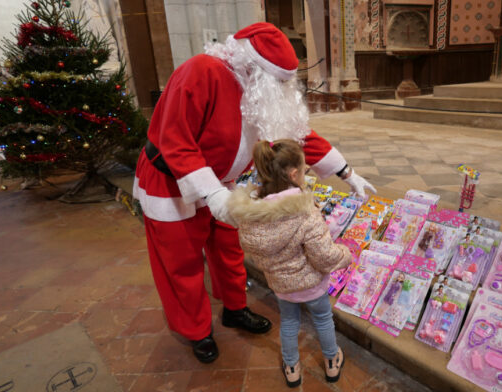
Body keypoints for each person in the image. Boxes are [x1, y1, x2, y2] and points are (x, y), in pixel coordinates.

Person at [133, 22, 375, 363]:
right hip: (172, 180)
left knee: (229, 249)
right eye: (280, 81)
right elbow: (177, 140)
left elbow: (297, 136)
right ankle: (197, 331)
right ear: (255, 67)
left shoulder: (261, 89)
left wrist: (347, 172)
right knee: (181, 263)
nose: (283, 89)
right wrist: (212, 195)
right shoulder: (200, 72)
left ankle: (234, 309)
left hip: (223, 183)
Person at [228, 140, 351, 387]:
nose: (306, 175)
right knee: (323, 318)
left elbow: (259, 252)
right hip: (312, 284)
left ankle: (292, 366)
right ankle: (331, 362)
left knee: (289, 322)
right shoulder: (305, 211)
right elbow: (324, 255)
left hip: (282, 287)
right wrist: (344, 255)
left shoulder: (254, 216)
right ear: (294, 174)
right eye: (306, 170)